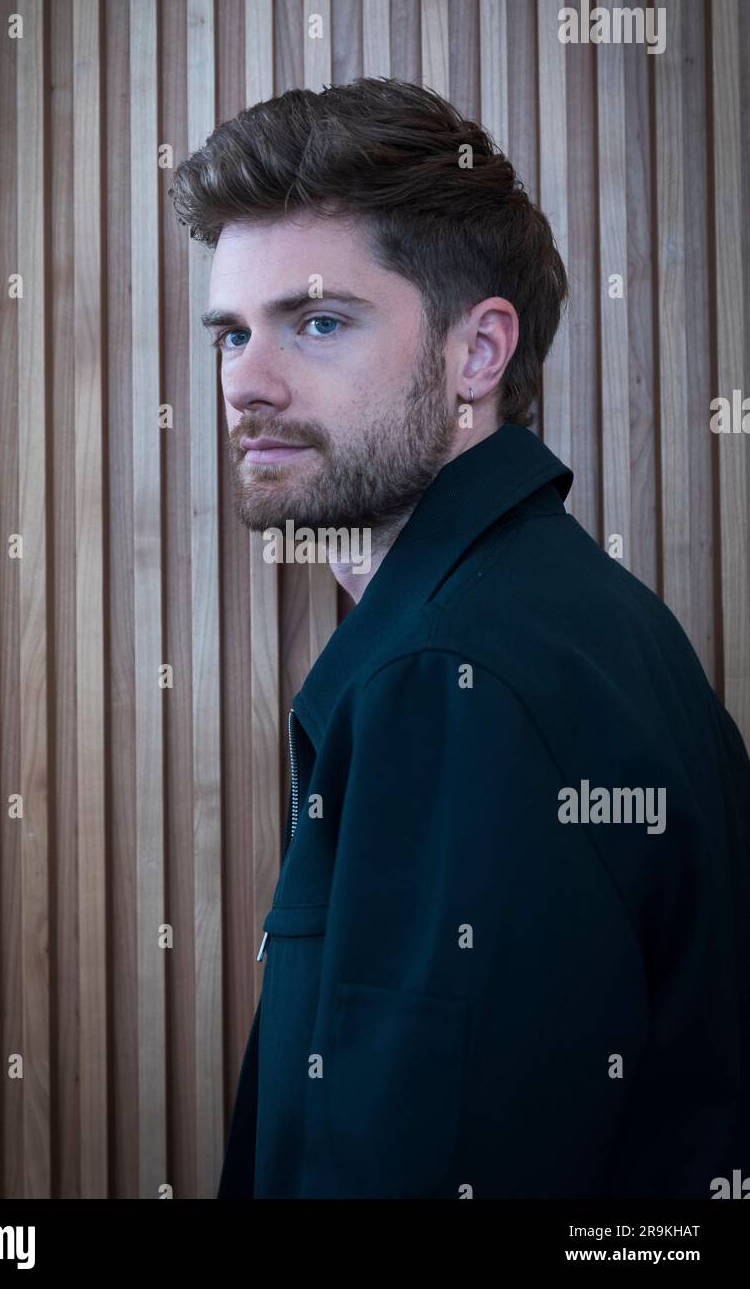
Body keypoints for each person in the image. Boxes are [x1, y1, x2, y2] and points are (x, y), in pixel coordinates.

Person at [172, 77, 750, 1199]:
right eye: (231, 334)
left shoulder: (450, 677)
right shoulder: (571, 614)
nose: (245, 379)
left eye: (317, 321)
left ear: (475, 355)